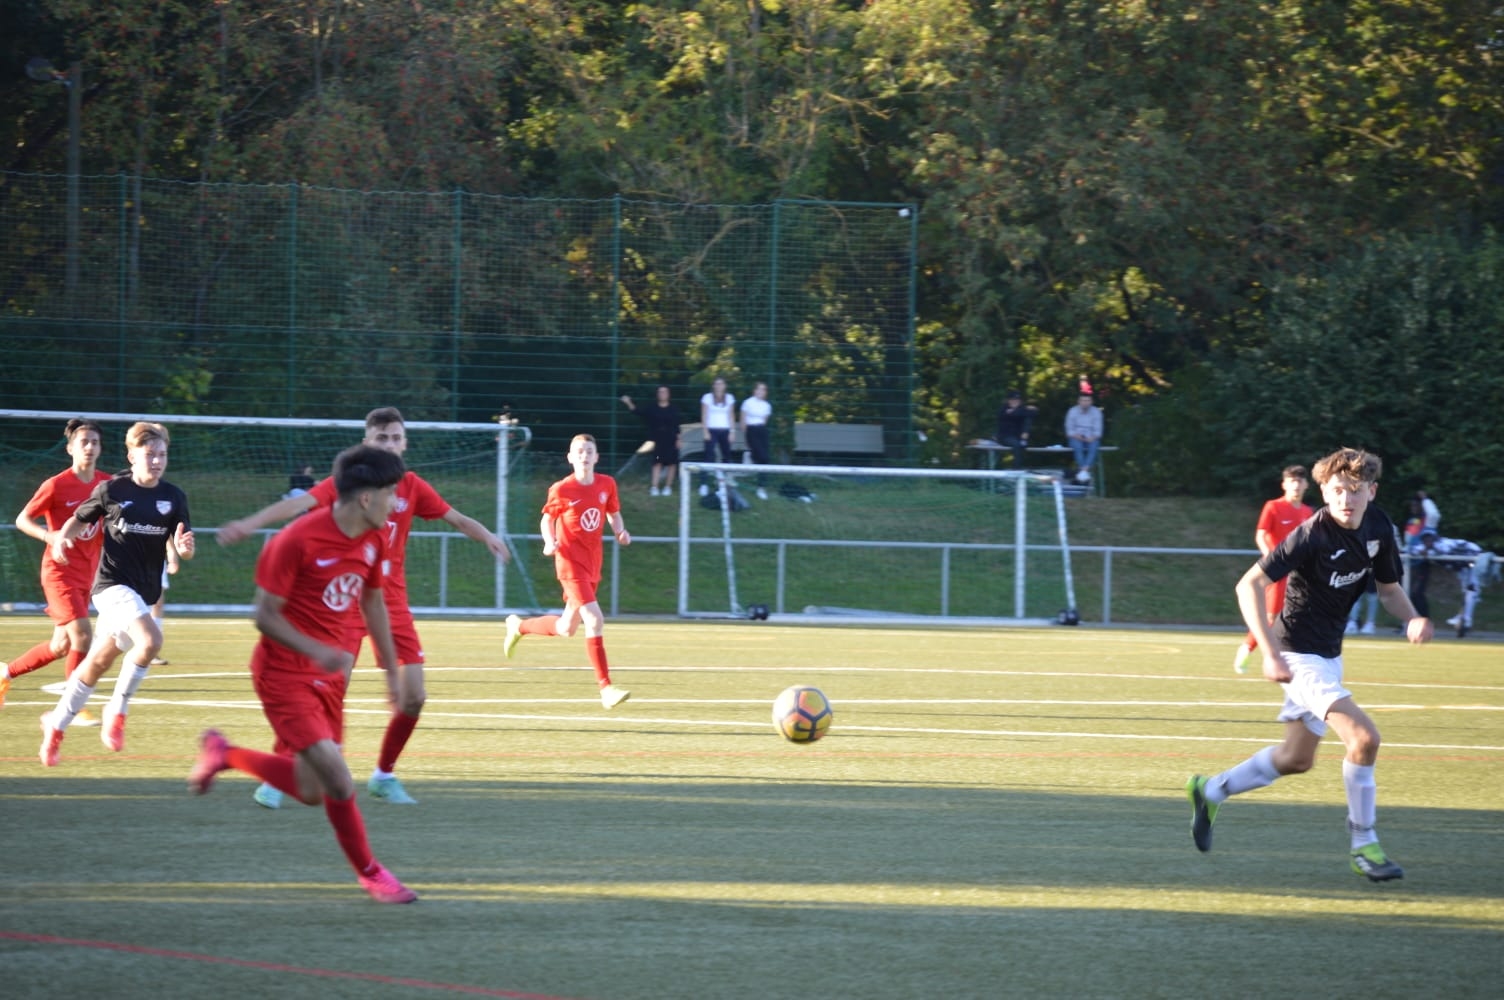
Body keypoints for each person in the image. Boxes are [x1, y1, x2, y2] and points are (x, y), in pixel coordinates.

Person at [217, 406, 510, 808]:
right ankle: (282, 769)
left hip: (392, 603)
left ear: (405, 443)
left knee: (413, 696)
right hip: (346, 602)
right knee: (323, 689)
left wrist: (488, 536)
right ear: (366, 443)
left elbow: (456, 519)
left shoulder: (412, 486)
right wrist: (250, 523)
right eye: (381, 438)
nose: (389, 444)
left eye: (395, 438)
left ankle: (384, 775)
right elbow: (298, 505)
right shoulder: (350, 486)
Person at [1187, 446, 1432, 882]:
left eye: (1355, 490)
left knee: (1296, 758)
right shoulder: (1312, 533)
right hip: (1296, 654)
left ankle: (1211, 790)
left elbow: (1389, 589)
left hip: (1329, 656)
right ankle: (1364, 845)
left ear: (1371, 492)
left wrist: (1412, 617)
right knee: (1364, 738)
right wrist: (1270, 652)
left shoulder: (1378, 526)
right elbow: (1249, 585)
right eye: (1336, 490)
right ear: (1324, 491)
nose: (1345, 499)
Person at [187, 444, 417, 904]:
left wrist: (392, 672)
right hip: (283, 675)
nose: (396, 503)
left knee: (311, 790)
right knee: (340, 781)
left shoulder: (373, 539)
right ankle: (372, 874)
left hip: (326, 680)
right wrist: (319, 651)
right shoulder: (296, 541)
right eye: (391, 493)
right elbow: (264, 615)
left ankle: (225, 753)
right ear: (366, 497)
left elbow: (373, 602)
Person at [39, 421, 195, 764]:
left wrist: (183, 551)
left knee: (98, 662)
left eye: (162, 454)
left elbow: (182, 542)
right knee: (150, 641)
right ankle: (117, 709)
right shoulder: (112, 490)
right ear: (132, 456)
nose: (157, 461)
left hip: (143, 592)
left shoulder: (174, 496)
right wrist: (63, 539)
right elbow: (79, 519)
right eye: (150, 454)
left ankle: (56, 723)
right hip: (111, 586)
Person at [503, 434, 632, 709]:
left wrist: (620, 531)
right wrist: (549, 542)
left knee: (566, 628)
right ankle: (606, 688)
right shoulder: (562, 489)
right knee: (594, 619)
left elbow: (613, 512)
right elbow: (547, 520)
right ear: (570, 457)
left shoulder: (607, 484)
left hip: (592, 563)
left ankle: (519, 626)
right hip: (569, 564)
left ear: (596, 457)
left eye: (589, 451)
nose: (584, 455)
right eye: (579, 451)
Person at [0, 418, 112, 719]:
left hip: (88, 574)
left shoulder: (108, 484)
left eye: (95, 442)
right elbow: (23, 519)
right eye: (83, 442)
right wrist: (50, 537)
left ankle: (4, 673)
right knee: (83, 636)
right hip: (59, 572)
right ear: (70, 448)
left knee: (61, 645)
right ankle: (72, 707)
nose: (89, 447)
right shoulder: (56, 485)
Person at [1233, 465, 1314, 673]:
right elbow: (1261, 534)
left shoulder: (1307, 512)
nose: (1296, 485)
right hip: (1277, 572)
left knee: (1297, 615)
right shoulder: (1273, 507)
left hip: (1299, 573)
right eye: (1292, 481)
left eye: (1299, 481)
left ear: (1306, 484)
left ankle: (1294, 657)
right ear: (1284, 484)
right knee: (1271, 615)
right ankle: (1247, 648)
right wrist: (1270, 558)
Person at [1409, 529, 1490, 638]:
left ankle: (1465, 620)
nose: (1428, 541)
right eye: (1425, 539)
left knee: (1472, 591)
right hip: (1461, 569)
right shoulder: (1423, 547)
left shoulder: (1445, 543)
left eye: (1430, 538)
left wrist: (1429, 550)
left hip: (1472, 564)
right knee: (1468, 592)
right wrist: (1423, 550)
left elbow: (1443, 550)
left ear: (1435, 538)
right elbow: (1413, 551)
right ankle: (1464, 620)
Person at [620, 387, 682, 496]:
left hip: (671, 441)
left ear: (669, 394)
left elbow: (677, 426)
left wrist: (679, 439)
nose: (662, 394)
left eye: (665, 392)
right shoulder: (652, 408)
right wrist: (628, 402)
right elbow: (637, 411)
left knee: (672, 464)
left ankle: (668, 487)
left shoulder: (674, 409)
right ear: (657, 394)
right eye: (660, 392)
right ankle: (654, 487)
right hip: (657, 442)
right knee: (657, 463)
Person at [698, 377, 736, 497]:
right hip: (711, 430)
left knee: (727, 456)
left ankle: (725, 483)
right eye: (716, 383)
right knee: (708, 456)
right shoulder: (707, 397)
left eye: (721, 383)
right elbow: (704, 415)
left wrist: (732, 432)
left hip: (725, 430)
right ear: (713, 386)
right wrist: (705, 431)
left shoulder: (729, 398)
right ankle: (703, 484)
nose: (719, 386)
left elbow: (731, 415)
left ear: (725, 386)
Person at [739, 381, 773, 500]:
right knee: (761, 457)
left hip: (761, 431)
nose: (760, 391)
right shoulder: (747, 403)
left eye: (763, 389)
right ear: (754, 390)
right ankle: (751, 455)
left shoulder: (767, 406)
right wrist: (746, 437)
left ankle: (761, 487)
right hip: (750, 430)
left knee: (765, 459)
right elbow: (743, 422)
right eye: (759, 389)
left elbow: (764, 421)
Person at [148, 543, 180, 666]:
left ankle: (152, 651)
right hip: (130, 561)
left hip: (156, 561)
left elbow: (169, 542)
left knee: (157, 602)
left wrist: (173, 560)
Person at [1064, 391, 1103, 484]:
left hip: (1091, 437)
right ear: (1079, 401)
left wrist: (1093, 437)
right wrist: (1076, 435)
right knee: (1078, 446)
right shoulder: (1072, 411)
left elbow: (1098, 431)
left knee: (1094, 446)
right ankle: (1085, 471)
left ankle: (1083, 470)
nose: (1085, 402)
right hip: (1076, 437)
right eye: (1083, 400)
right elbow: (1069, 430)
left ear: (1091, 402)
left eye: (1087, 400)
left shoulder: (1096, 412)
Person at [994, 390, 1034, 468]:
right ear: (1008, 400)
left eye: (1017, 400)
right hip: (1005, 436)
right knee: (1017, 445)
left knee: (1028, 419)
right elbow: (1013, 414)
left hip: (1018, 436)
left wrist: (1025, 432)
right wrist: (1023, 409)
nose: (1015, 402)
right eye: (1013, 400)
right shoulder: (1003, 410)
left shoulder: (1022, 409)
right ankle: (1016, 468)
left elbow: (1033, 413)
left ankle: (1024, 465)